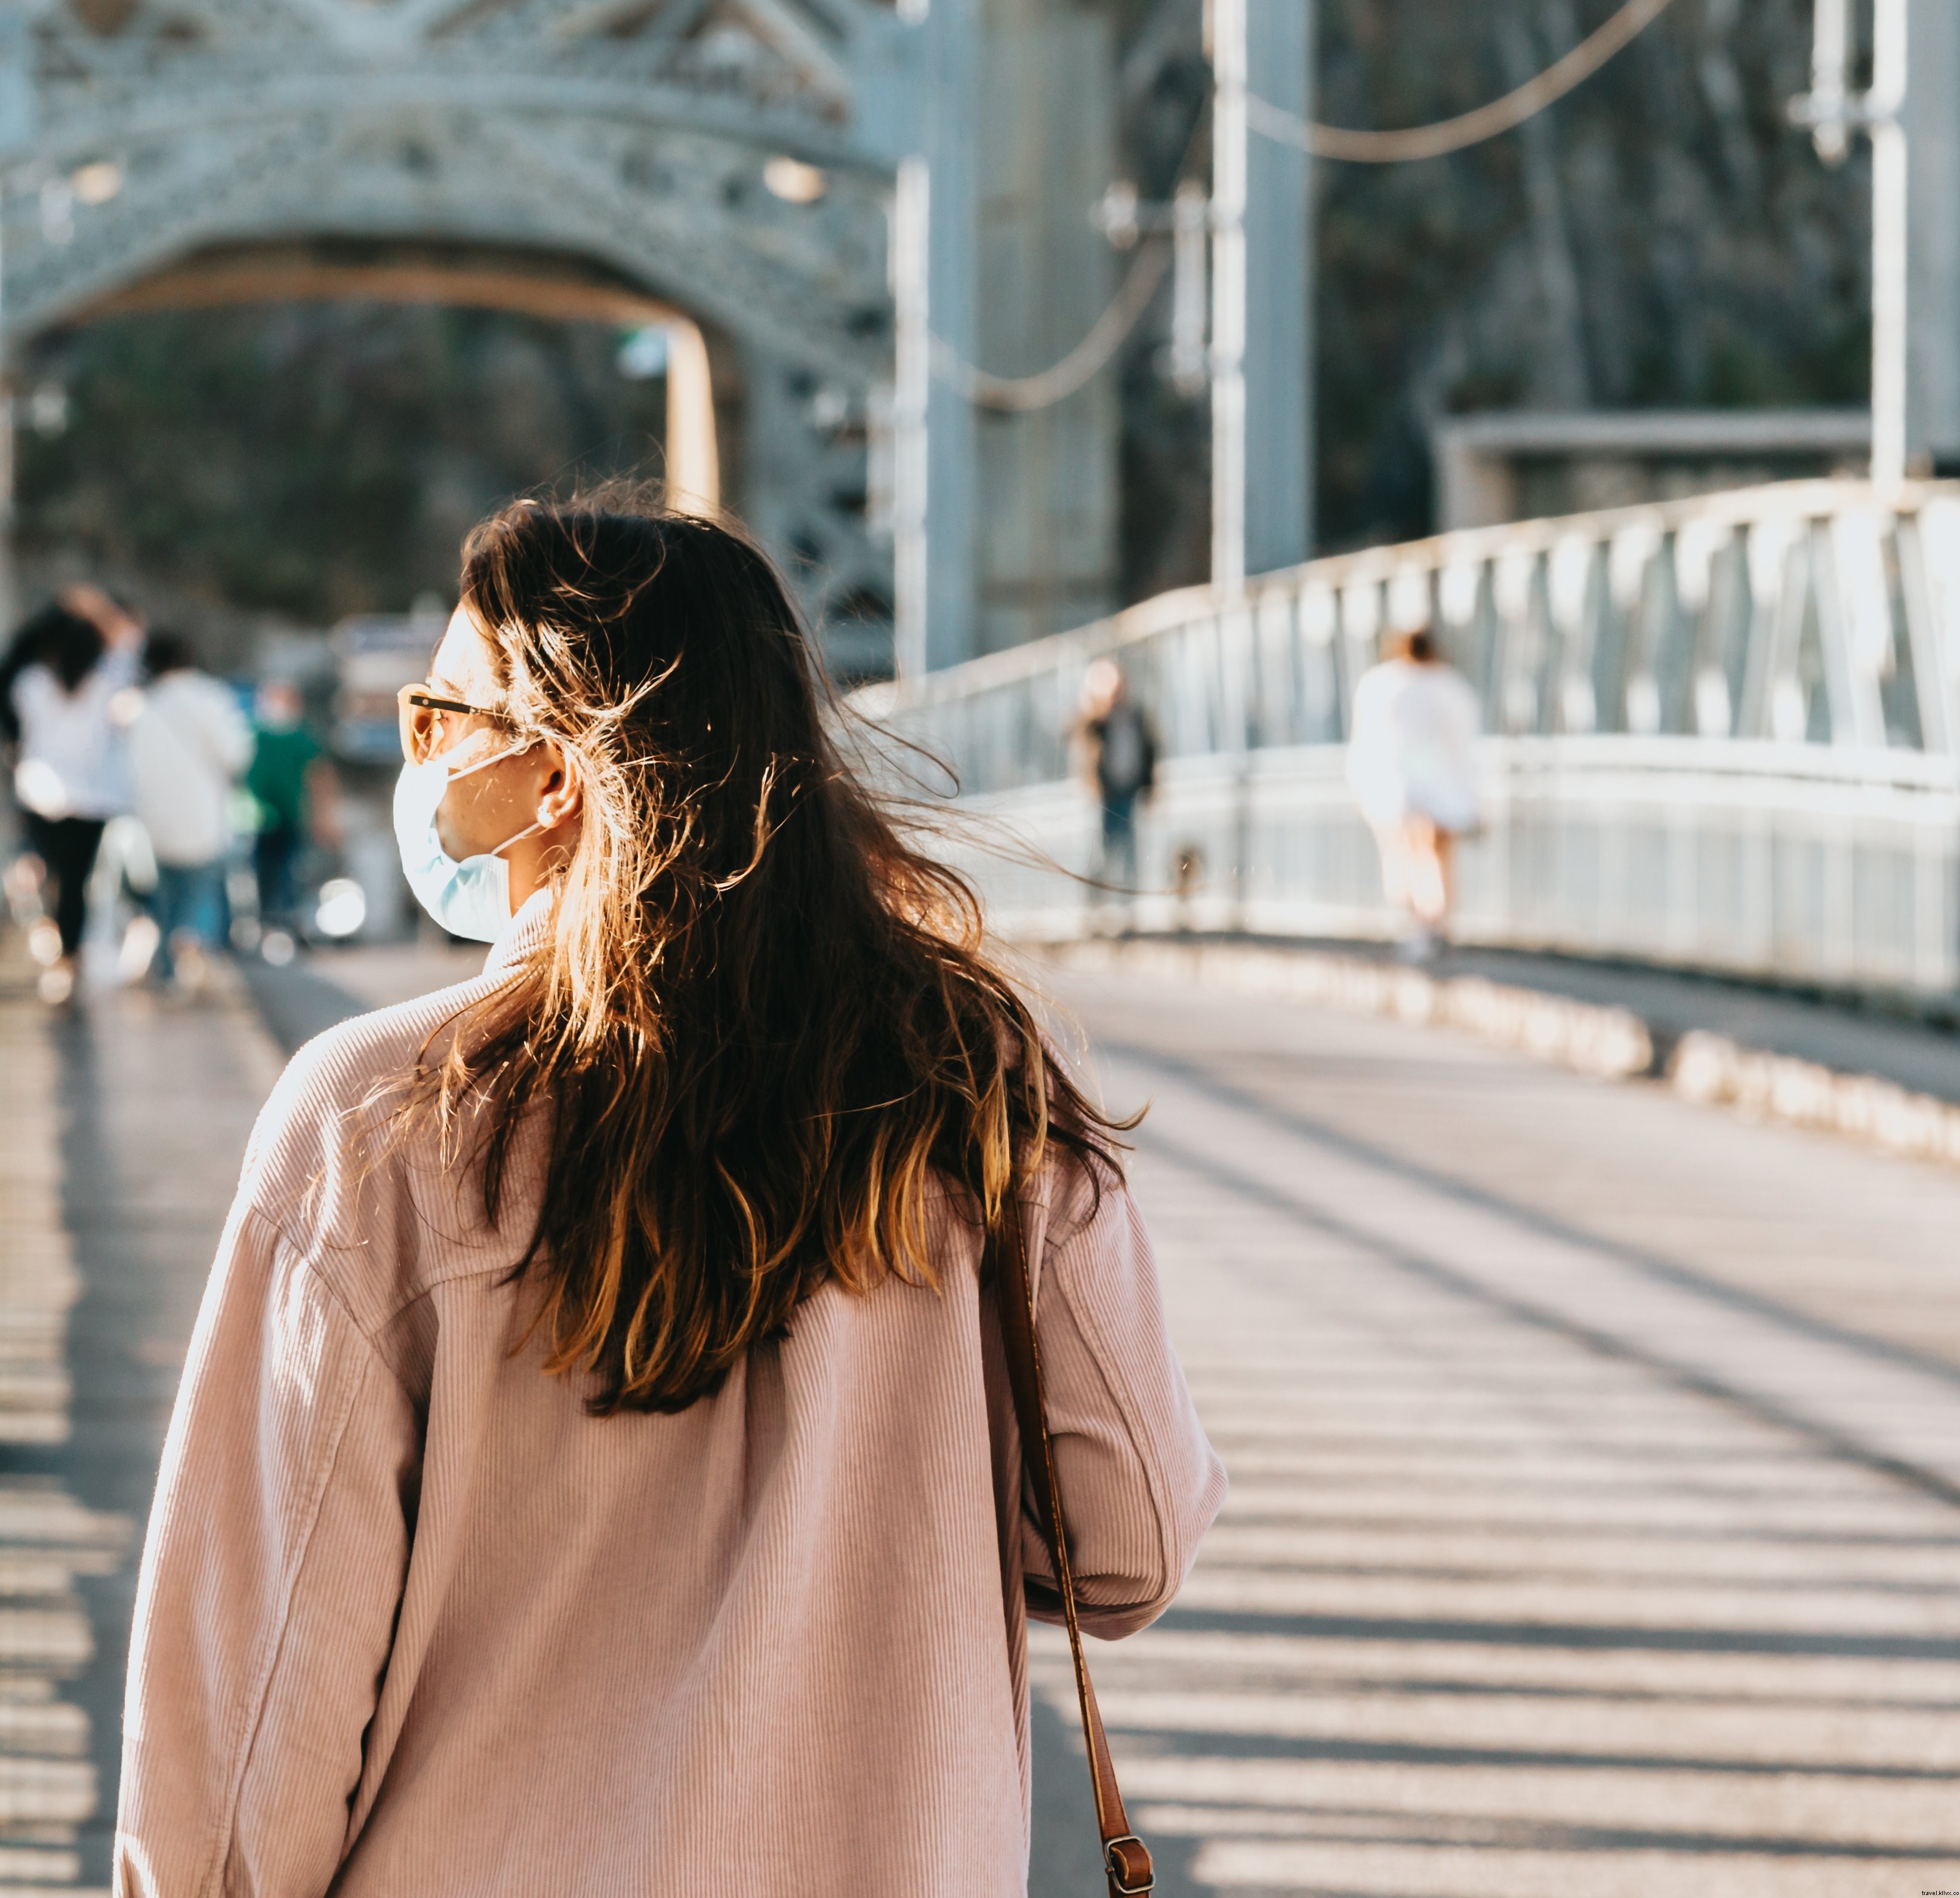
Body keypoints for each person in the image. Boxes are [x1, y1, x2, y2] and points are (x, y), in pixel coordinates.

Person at [117, 486, 1222, 1897]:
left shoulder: (378, 1123)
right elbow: (1125, 1542)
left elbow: (244, 1736)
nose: (420, 756)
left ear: (555, 773)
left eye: (437, 716)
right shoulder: (973, 1090)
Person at [0, 586, 138, 977]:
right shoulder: (107, 683)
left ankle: (45, 930)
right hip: (94, 796)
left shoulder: (32, 682)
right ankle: (69, 958)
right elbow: (128, 649)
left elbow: (15, 723)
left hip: (41, 792)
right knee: (77, 882)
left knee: (44, 867)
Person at [123, 630, 251, 989]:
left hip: (153, 819)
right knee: (201, 890)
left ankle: (166, 973)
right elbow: (236, 755)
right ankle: (193, 946)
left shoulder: (140, 705)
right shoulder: (211, 697)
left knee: (162, 899)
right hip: (203, 814)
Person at [1348, 624, 1483, 962]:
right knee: (1439, 857)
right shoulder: (1450, 686)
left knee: (1407, 854)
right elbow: (1466, 743)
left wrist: (1363, 786)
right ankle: (1436, 923)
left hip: (1398, 786)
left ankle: (1418, 927)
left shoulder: (1380, 684)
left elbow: (1366, 741)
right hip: (1444, 785)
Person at [243, 679, 337, 933]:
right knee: (260, 877)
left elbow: (320, 777)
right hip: (257, 820)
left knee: (290, 875)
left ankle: (287, 925)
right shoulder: (253, 735)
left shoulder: (300, 737)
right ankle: (265, 925)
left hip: (292, 817)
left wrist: (323, 817)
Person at [1068, 655, 1156, 895]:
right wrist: (1097, 709)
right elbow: (1076, 734)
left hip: (1130, 789)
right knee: (1103, 847)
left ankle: (1128, 900)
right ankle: (1099, 897)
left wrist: (1150, 786)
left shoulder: (1136, 716)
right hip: (1105, 793)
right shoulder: (1097, 720)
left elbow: (1150, 750)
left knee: (1130, 847)